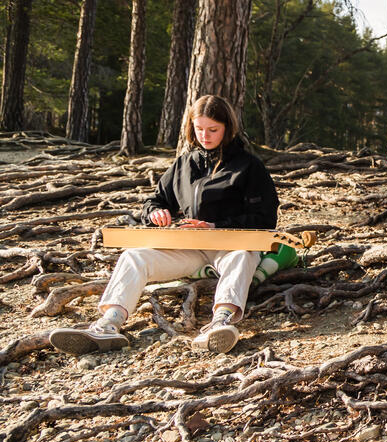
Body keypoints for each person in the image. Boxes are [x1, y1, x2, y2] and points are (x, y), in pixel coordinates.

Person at [49, 95, 280, 356]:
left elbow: (265, 219)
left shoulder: (249, 166)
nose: (205, 135)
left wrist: (215, 226)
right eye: (199, 129)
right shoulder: (184, 163)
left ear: (228, 127)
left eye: (213, 130)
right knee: (134, 256)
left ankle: (220, 324)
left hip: (232, 247)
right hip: (189, 248)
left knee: (242, 256)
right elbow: (154, 200)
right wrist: (156, 212)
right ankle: (108, 324)